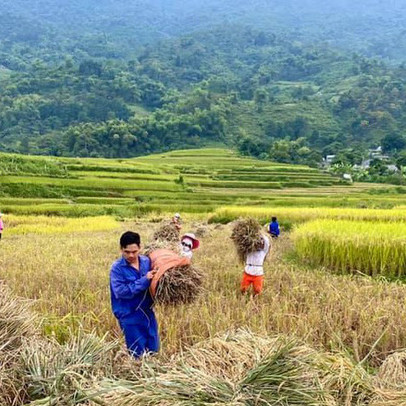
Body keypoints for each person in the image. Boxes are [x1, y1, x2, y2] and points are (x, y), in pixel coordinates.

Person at [110, 231, 159, 358]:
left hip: (147, 312)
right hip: (129, 315)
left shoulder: (146, 262)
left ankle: (153, 374)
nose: (131, 255)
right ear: (121, 249)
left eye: (134, 251)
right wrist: (144, 280)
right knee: (137, 354)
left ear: (140, 247)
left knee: (153, 349)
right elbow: (121, 292)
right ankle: (139, 376)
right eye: (127, 252)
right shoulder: (117, 269)